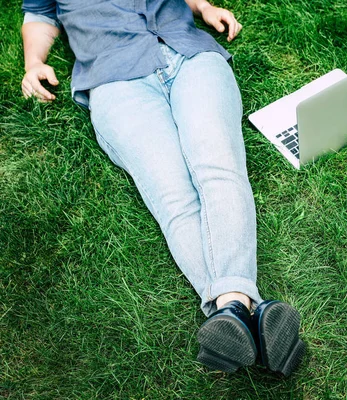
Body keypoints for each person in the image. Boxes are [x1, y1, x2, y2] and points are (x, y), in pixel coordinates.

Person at [20, 0, 305, 376]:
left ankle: (231, 310)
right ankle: (247, 309)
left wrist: (202, 7)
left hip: (190, 57)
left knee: (219, 168)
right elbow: (39, 14)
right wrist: (33, 62)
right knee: (174, 195)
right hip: (114, 80)